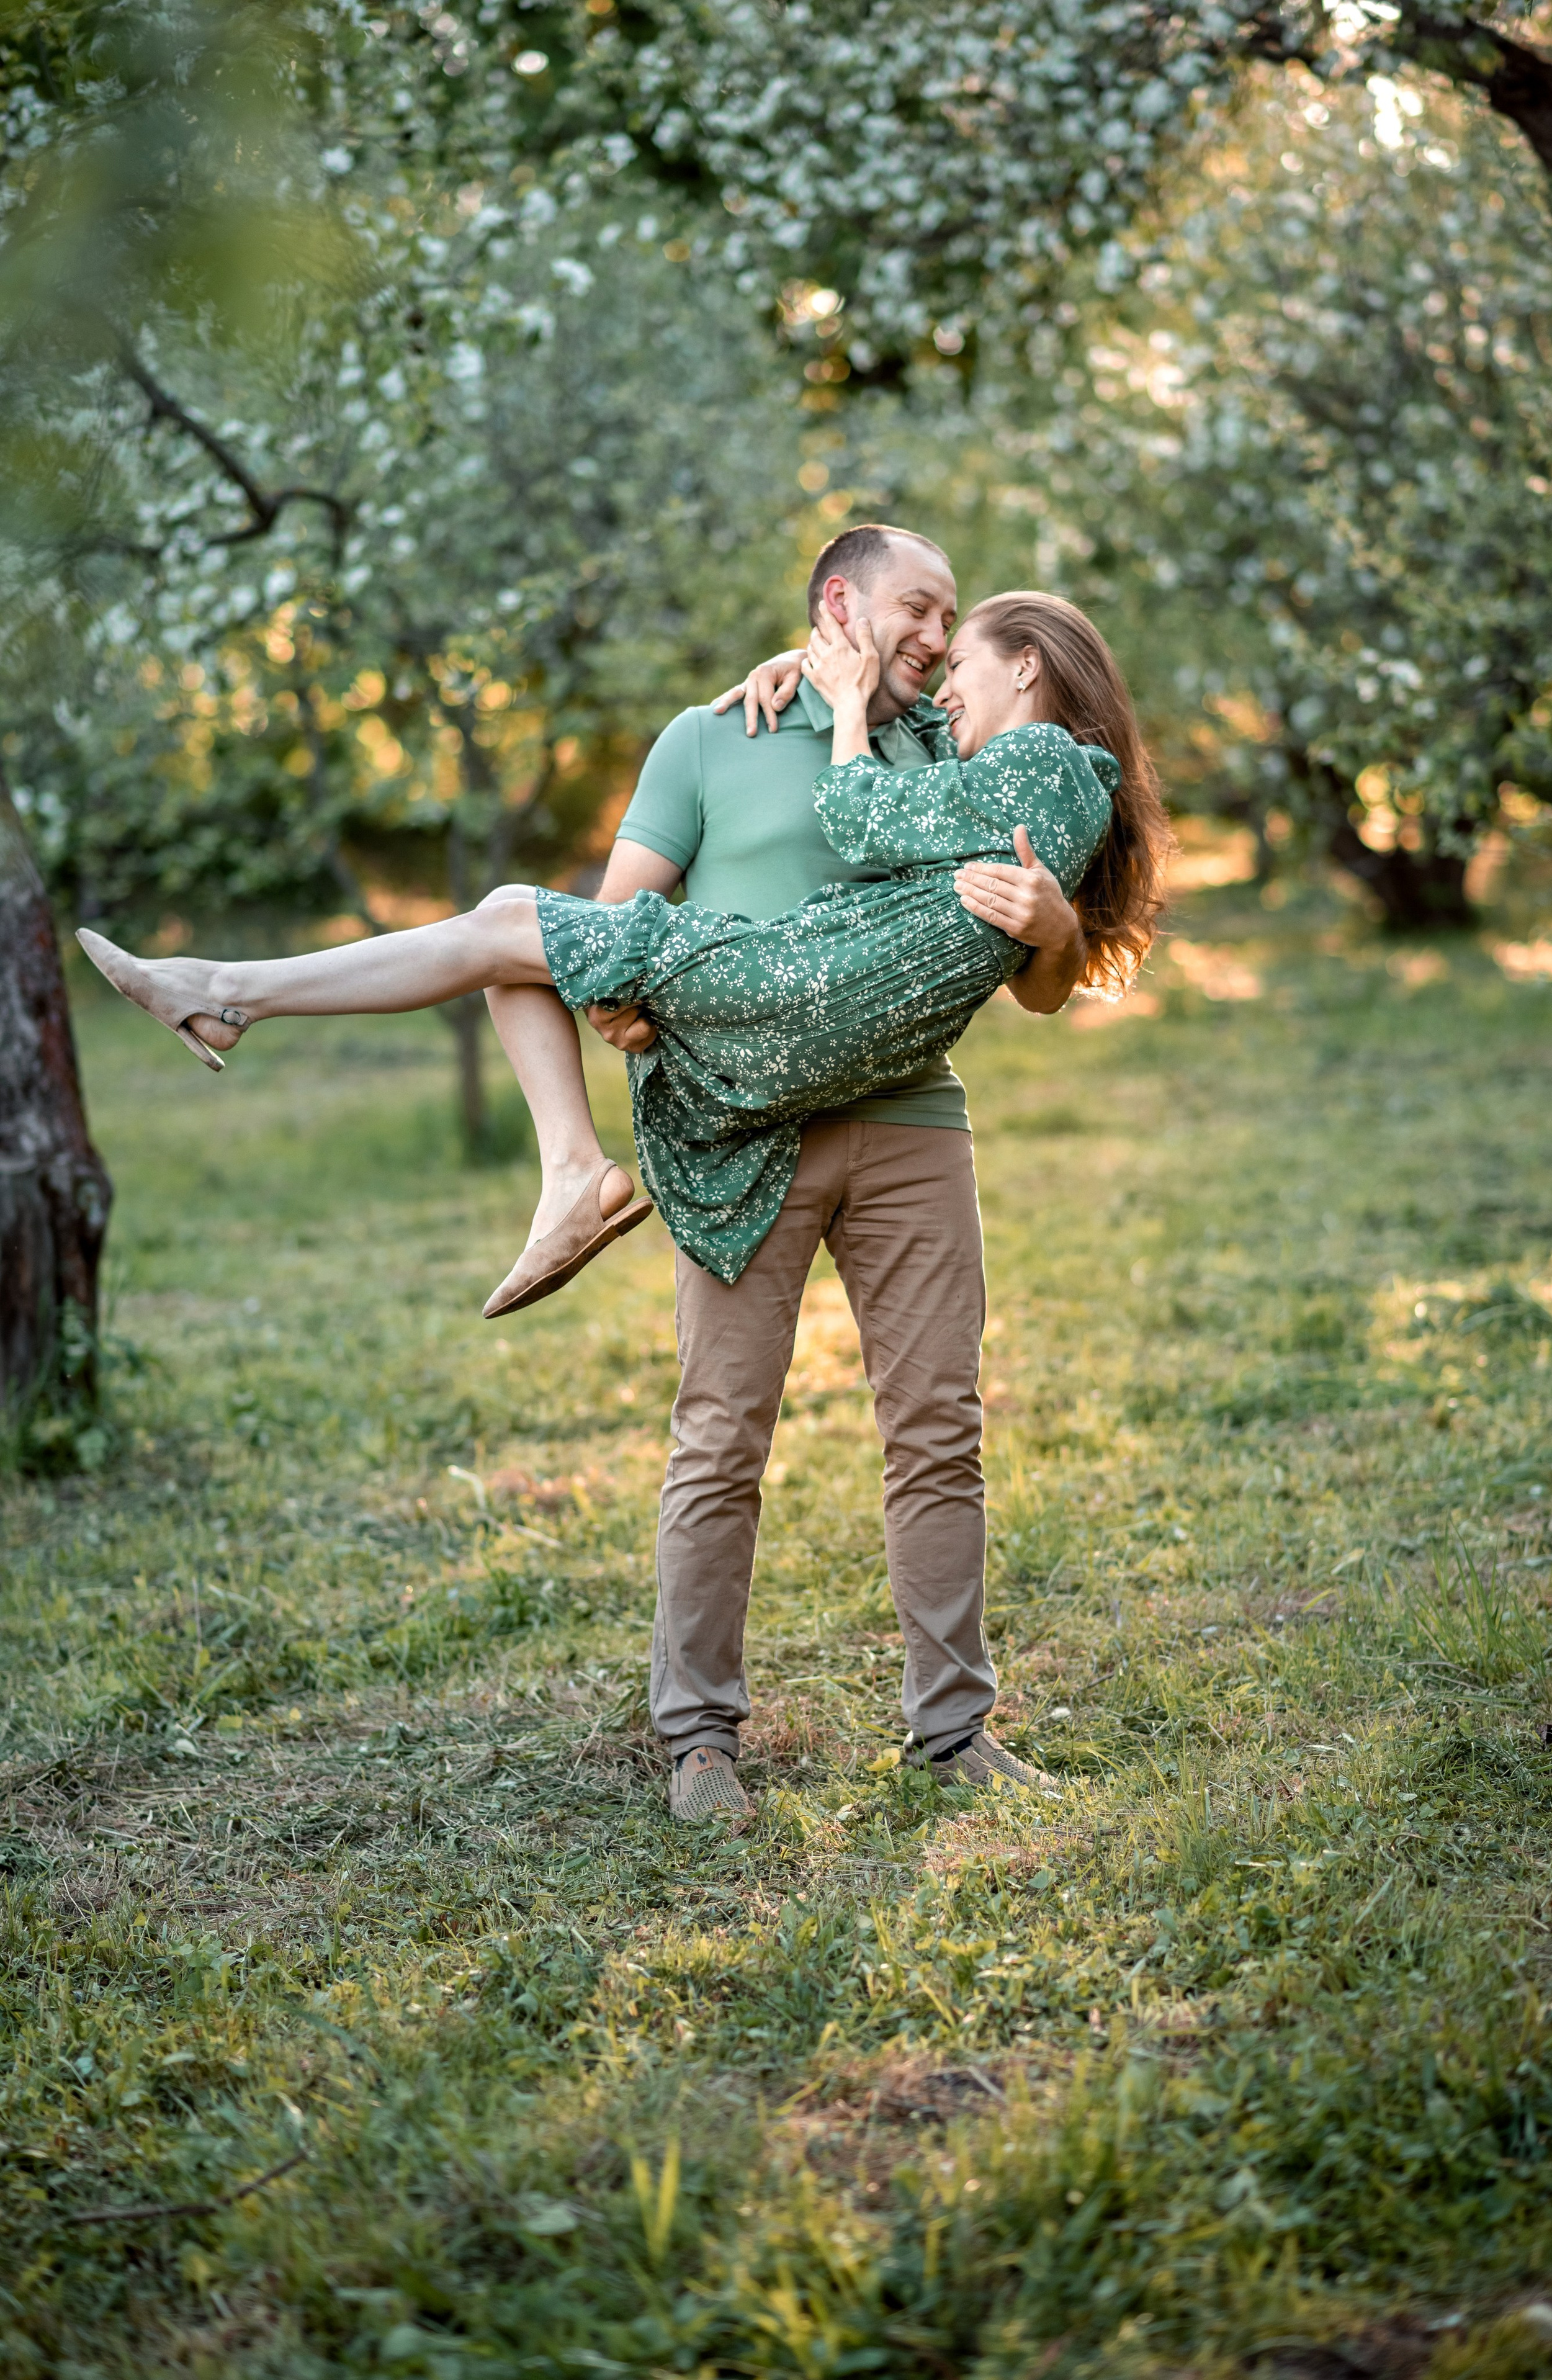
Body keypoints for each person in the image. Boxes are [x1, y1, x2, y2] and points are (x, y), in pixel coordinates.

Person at [79, 543, 1170, 1818]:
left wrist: (1059, 931)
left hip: (908, 1122)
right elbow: (604, 933)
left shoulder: (949, 741)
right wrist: (629, 1012)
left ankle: (955, 1731)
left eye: (950, 620)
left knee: (939, 1432)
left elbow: (1037, 982)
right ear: (840, 605)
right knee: (719, 1438)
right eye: (916, 610)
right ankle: (698, 1740)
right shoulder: (709, 739)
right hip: (742, 1129)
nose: (935, 636)